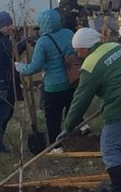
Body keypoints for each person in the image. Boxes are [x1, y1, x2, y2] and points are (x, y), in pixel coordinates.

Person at [57, 28, 121, 192]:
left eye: (78, 50)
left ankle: (120, 190)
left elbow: (81, 99)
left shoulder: (90, 65)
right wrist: (107, 99)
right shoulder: (115, 47)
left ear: (86, 47)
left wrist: (68, 126)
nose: (77, 54)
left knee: (110, 146)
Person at [15, 9, 77, 144]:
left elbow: (35, 67)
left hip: (53, 87)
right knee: (72, 116)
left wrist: (21, 67)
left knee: (53, 120)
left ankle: (56, 146)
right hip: (72, 82)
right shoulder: (69, 34)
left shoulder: (43, 42)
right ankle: (74, 141)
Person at [0, 11, 21, 153]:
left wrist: (22, 45)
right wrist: (0, 84)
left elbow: (10, 55)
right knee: (0, 115)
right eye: (8, 25)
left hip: (9, 82)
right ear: (1, 26)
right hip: (2, 84)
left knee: (7, 113)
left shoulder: (4, 39)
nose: (11, 27)